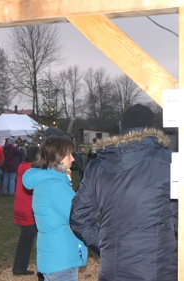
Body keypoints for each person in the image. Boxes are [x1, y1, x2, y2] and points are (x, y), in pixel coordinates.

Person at [70, 104, 177, 280]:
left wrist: (106, 246)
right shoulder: (169, 163)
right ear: (153, 130)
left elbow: (79, 218)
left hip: (115, 269)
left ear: (122, 129)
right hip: (156, 269)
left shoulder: (97, 166)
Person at [22, 136, 88, 280]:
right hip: (62, 258)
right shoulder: (56, 186)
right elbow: (80, 216)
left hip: (52, 256)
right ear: (58, 157)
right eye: (69, 154)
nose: (72, 159)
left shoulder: (45, 182)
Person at [12, 146, 42, 278]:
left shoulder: (24, 166)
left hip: (23, 205)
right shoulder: (31, 169)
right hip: (27, 207)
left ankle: (20, 266)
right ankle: (19, 267)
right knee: (27, 237)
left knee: (27, 237)